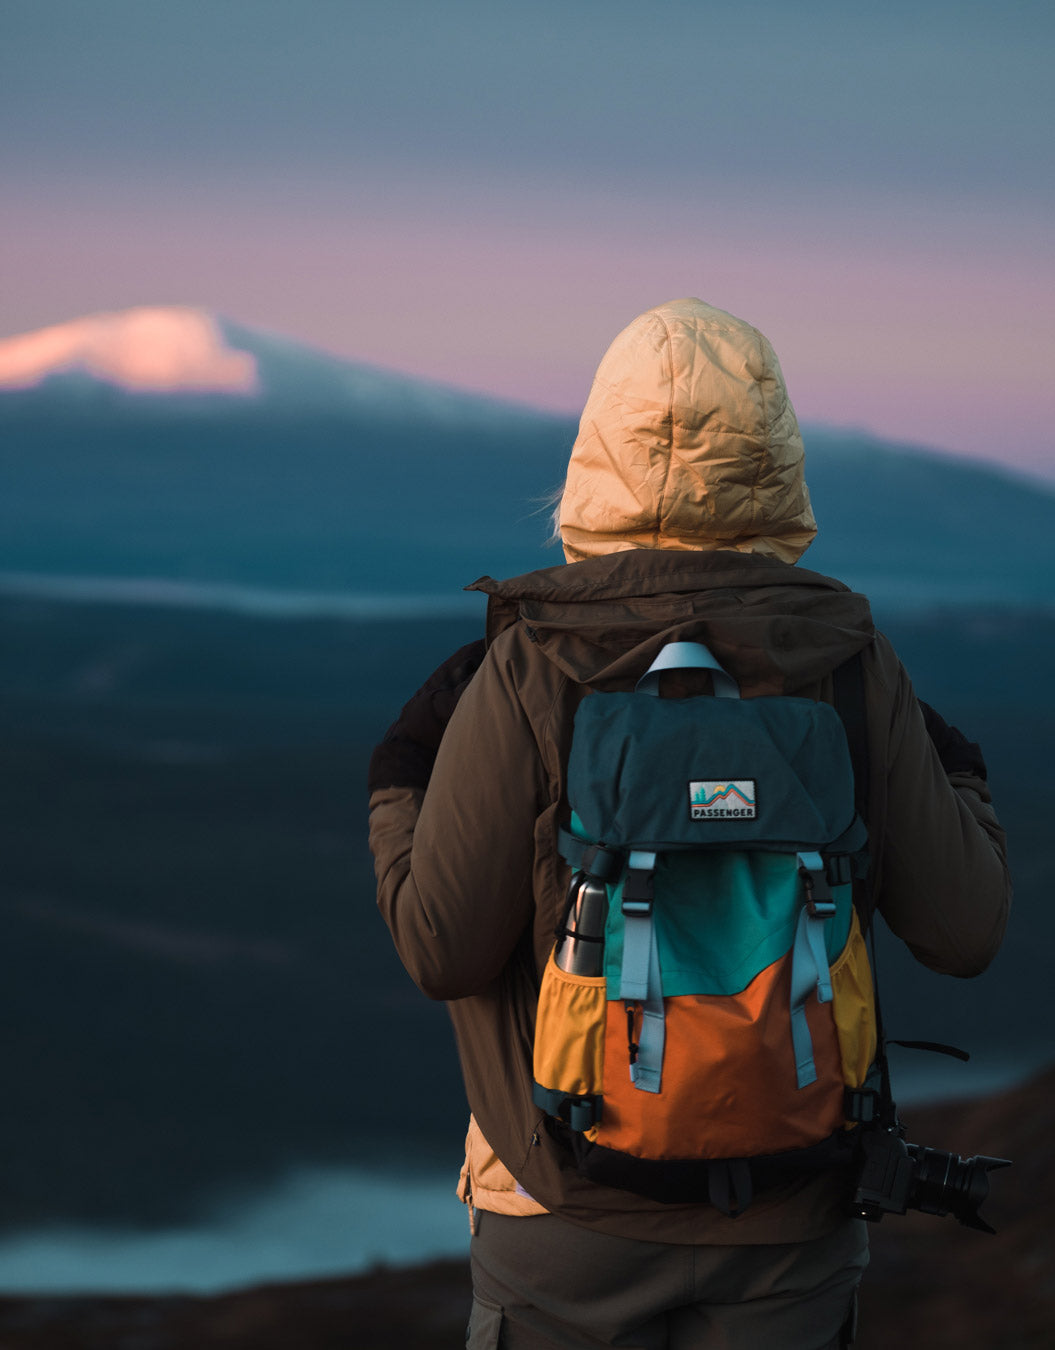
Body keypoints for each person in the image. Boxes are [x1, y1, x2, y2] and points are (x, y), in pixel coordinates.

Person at [368, 298, 1011, 1349]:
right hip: (793, 1219)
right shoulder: (847, 661)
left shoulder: (536, 660)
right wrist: (962, 775)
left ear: (597, 457)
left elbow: (443, 947)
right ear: (777, 458)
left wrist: (399, 786)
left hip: (560, 1211)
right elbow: (964, 929)